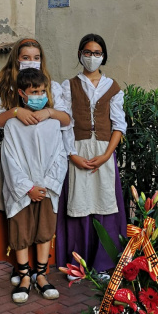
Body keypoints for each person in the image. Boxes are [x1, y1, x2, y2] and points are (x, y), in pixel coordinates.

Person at [0, 37, 70, 287]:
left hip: (45, 168)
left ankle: (40, 272)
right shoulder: (5, 87)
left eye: (36, 57)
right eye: (25, 57)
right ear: (16, 58)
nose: (31, 61)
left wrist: (48, 112)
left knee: (44, 224)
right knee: (20, 223)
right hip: (20, 164)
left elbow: (65, 120)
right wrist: (15, 111)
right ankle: (22, 270)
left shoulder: (52, 88)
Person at [56, 33, 127, 271]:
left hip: (104, 151)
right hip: (77, 149)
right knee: (79, 205)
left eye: (97, 53)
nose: (92, 57)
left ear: (103, 56)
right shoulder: (69, 85)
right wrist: (72, 155)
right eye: (88, 52)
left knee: (104, 203)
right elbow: (65, 123)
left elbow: (119, 125)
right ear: (80, 54)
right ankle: (78, 265)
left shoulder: (113, 87)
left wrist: (107, 155)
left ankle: (103, 265)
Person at [1, 68, 68, 303]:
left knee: (43, 231)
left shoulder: (52, 123)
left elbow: (60, 156)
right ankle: (24, 277)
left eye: (42, 91)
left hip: (47, 190)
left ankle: (41, 275)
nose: (39, 95)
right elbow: (9, 159)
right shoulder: (12, 125)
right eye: (34, 92)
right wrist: (28, 187)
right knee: (21, 231)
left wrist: (47, 185)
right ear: (21, 93)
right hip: (22, 191)